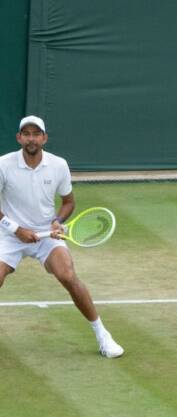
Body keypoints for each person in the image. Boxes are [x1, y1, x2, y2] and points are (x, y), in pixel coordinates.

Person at [0, 115, 123, 358]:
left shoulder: (59, 165)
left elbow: (68, 202)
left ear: (44, 138)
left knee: (67, 275)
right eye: (27, 134)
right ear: (19, 138)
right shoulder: (3, 164)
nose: (31, 138)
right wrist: (16, 230)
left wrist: (57, 221)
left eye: (36, 134)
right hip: (9, 234)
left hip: (46, 234)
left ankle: (102, 336)